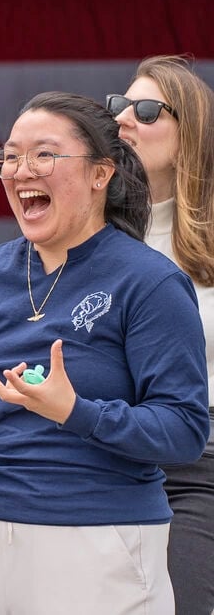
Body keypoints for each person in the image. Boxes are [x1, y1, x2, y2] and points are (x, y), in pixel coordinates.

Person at [0, 92, 210, 614]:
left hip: (98, 542)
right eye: (11, 157)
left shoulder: (151, 282)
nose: (21, 170)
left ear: (100, 174)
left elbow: (183, 431)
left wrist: (75, 412)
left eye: (44, 154)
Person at [109, 55, 214, 615]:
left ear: (190, 131)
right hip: (102, 451)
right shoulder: (84, 232)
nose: (125, 118)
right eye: (119, 106)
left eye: (146, 110)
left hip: (201, 461)